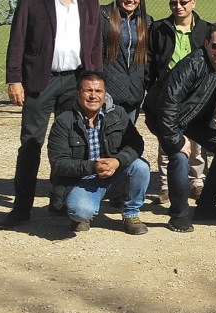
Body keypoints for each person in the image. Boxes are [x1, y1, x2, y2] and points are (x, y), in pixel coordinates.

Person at [0, 0, 103, 229]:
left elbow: (94, 46)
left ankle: (63, 204)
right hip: (39, 82)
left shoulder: (90, 3)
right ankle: (21, 209)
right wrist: (14, 79)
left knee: (73, 145)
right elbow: (17, 38)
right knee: (31, 144)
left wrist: (95, 82)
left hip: (76, 82)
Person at [151, 24, 216, 232]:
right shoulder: (192, 64)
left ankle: (206, 206)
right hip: (164, 116)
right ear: (206, 44)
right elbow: (168, 103)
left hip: (198, 119)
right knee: (179, 157)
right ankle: (178, 214)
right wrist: (176, 139)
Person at [47, 71, 149, 235]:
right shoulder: (64, 121)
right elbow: (58, 163)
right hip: (81, 181)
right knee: (81, 212)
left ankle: (131, 214)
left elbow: (136, 144)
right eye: (88, 91)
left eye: (98, 91)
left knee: (141, 167)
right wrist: (93, 167)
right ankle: (84, 214)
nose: (93, 96)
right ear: (78, 93)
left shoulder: (118, 114)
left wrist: (117, 161)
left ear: (105, 93)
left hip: (114, 175)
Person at [147, 0, 211, 204]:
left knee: (197, 143)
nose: (178, 7)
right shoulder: (159, 29)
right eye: (174, 3)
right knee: (167, 141)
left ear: (193, 3)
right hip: (168, 95)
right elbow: (151, 60)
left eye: (183, 2)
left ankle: (197, 182)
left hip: (196, 95)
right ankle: (166, 186)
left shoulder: (205, 31)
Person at [100, 0, 152, 122]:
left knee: (128, 138)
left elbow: (147, 60)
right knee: (107, 137)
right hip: (108, 90)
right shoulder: (103, 16)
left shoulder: (147, 22)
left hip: (134, 91)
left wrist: (143, 83)